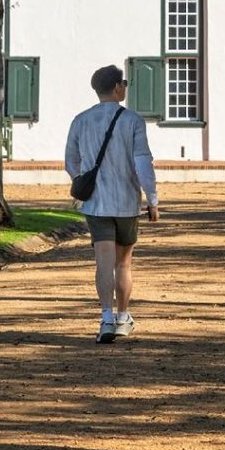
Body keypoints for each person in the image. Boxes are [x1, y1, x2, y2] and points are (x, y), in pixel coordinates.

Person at [65, 64, 159, 344]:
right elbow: (143, 163)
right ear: (118, 87)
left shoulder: (81, 120)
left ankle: (105, 317)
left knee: (103, 265)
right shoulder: (132, 120)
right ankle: (123, 317)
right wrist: (152, 198)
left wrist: (82, 180)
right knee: (124, 265)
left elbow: (71, 161)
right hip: (126, 203)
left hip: (96, 203)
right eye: (125, 84)